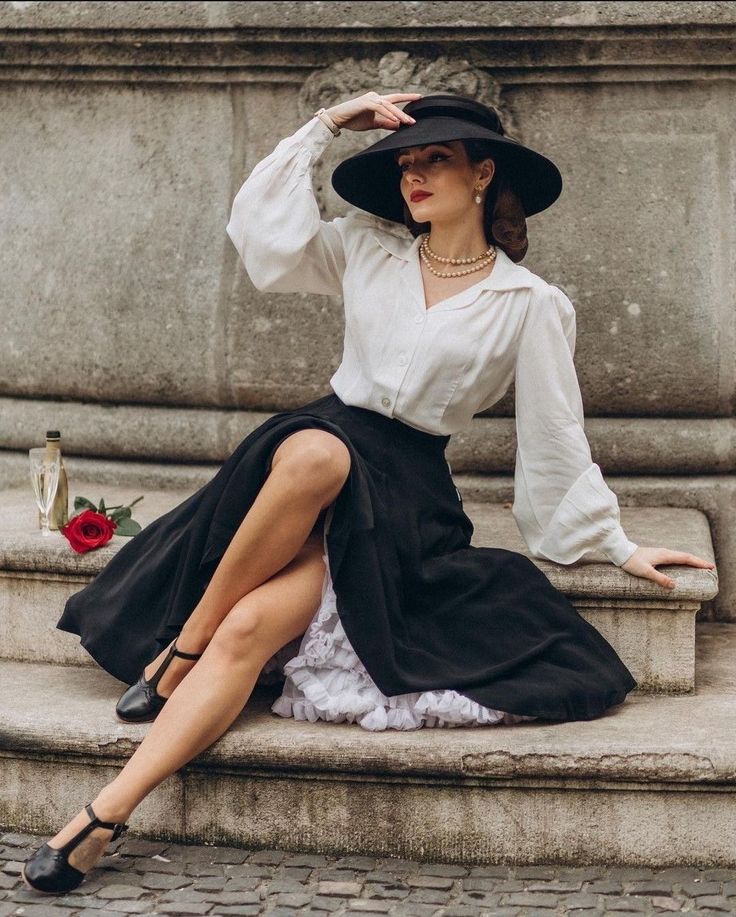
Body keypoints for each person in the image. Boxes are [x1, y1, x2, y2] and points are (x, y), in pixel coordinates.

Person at [22, 90, 715, 894]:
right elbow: (262, 242)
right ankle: (144, 726)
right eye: (407, 162)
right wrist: (322, 129)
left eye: (437, 159)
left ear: (483, 174)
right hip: (309, 457)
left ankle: (129, 761)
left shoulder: (531, 305)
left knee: (256, 618)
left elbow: (555, 437)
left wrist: (615, 542)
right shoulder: (364, 247)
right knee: (316, 451)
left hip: (403, 492)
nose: (414, 175)